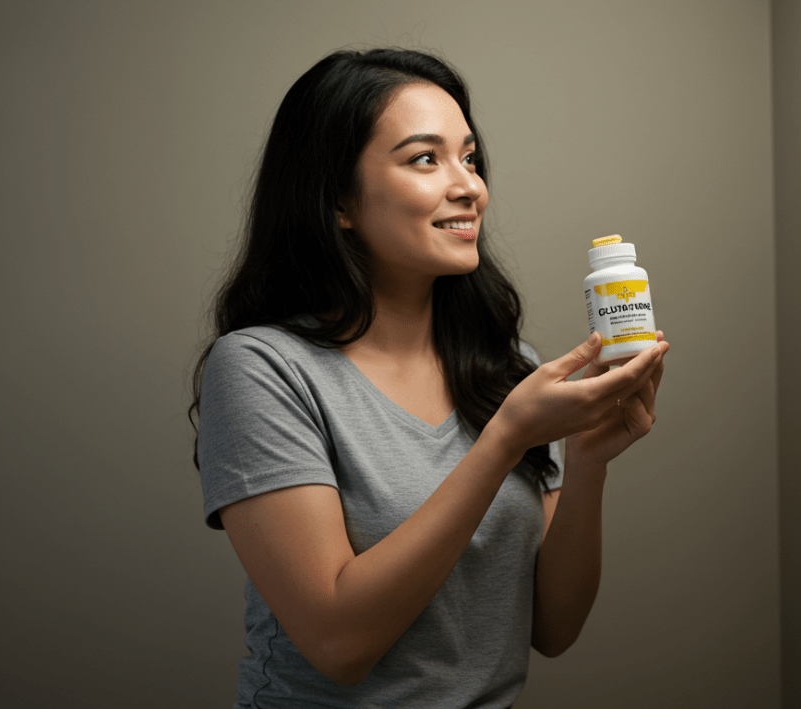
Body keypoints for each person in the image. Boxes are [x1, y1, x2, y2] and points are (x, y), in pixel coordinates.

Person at [190, 47, 669, 708]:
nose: (470, 185)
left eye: (469, 157)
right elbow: (338, 644)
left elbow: (553, 629)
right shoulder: (261, 369)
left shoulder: (509, 369)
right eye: (425, 158)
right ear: (337, 200)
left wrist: (588, 458)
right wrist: (503, 440)